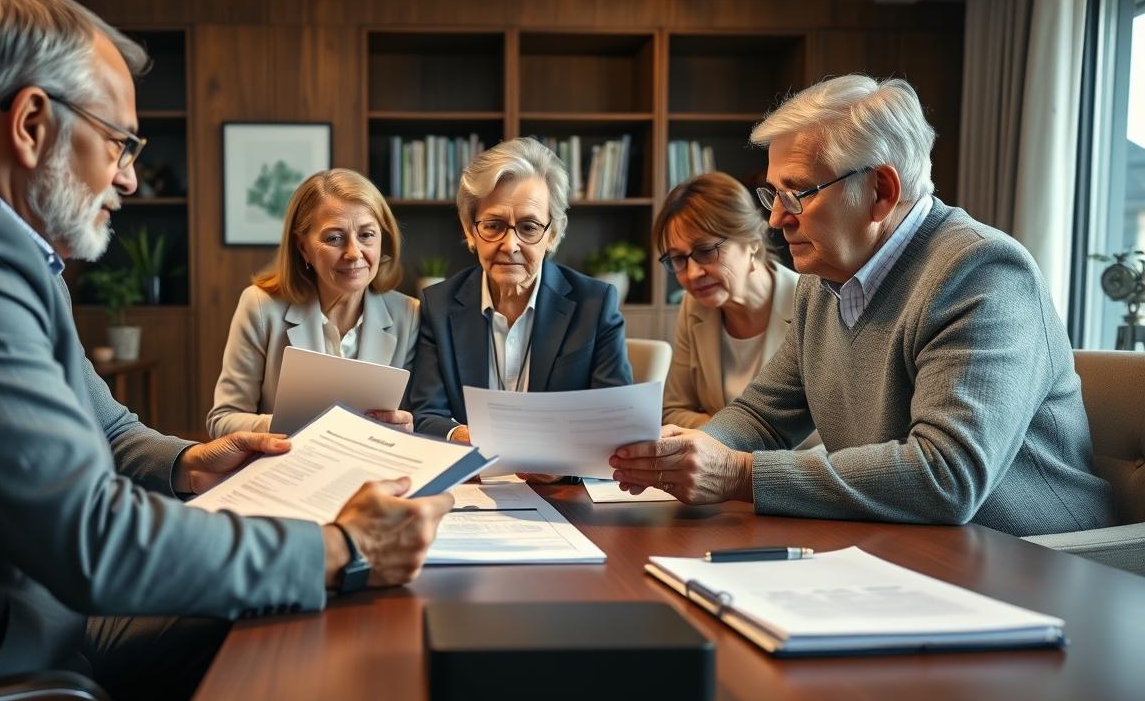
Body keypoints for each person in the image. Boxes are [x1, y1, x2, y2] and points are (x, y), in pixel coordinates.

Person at [0, 0, 451, 701]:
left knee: (324, 652)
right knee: (305, 696)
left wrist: (189, 462)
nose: (130, 179)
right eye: (119, 144)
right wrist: (341, 548)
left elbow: (103, 423)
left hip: (28, 623)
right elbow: (91, 539)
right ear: (32, 123)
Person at [611, 75, 1112, 537]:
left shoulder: (982, 272)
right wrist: (687, 453)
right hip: (910, 543)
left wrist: (739, 474)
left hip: (1039, 559)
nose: (777, 219)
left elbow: (946, 475)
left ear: (880, 191)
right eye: (773, 195)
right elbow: (764, 416)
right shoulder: (824, 282)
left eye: (798, 193)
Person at [408, 137, 634, 449]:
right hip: (472, 483)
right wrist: (469, 438)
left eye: (528, 227)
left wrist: (558, 466)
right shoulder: (439, 305)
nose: (510, 245)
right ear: (470, 231)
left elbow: (614, 419)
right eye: (493, 225)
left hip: (559, 486)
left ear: (552, 234)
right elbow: (425, 414)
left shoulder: (595, 305)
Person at [208, 169, 418, 436]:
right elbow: (223, 420)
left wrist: (407, 426)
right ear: (303, 247)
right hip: (287, 467)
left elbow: (413, 418)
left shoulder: (408, 315)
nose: (354, 253)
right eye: (334, 238)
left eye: (366, 235)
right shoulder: (260, 307)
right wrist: (291, 424)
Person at [654, 171, 801, 428]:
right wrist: (729, 448)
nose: (692, 274)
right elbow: (674, 410)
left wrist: (731, 444)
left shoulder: (809, 303)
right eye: (678, 259)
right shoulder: (695, 306)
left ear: (753, 242)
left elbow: (832, 431)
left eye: (705, 251)